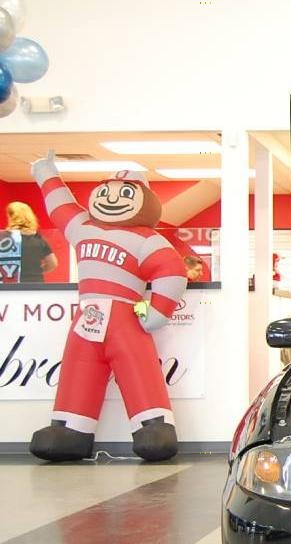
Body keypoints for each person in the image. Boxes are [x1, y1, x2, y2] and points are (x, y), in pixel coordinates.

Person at [27, 151, 187, 462]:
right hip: (86, 317)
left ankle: (153, 425)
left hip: (125, 316)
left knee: (138, 366)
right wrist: (45, 170)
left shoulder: (146, 239)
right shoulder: (82, 226)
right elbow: (60, 205)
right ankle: (70, 429)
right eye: (107, 192)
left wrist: (155, 312)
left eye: (125, 194)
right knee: (78, 367)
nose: (113, 200)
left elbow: (171, 270)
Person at [5, 201, 58, 282]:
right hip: (35, 283)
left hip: (10, 285)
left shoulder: (4, 238)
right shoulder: (38, 239)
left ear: (12, 217)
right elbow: (52, 263)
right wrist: (35, 271)